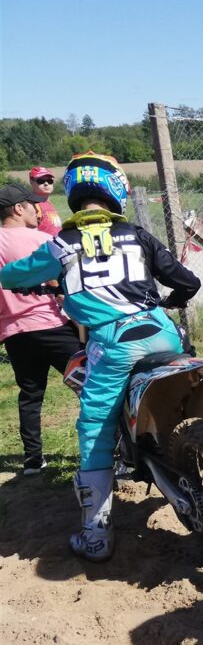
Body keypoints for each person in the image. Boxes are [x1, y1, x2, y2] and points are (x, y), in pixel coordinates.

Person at [0, 152, 201, 562]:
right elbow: (188, 281)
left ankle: (95, 534)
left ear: (73, 192)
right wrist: (171, 299)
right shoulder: (137, 234)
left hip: (112, 341)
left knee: (94, 426)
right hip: (161, 332)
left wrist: (29, 281)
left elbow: (13, 274)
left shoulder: (61, 243)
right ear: (115, 190)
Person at [0, 184, 83, 475]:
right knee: (89, 384)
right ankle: (113, 445)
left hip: (14, 333)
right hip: (51, 326)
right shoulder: (43, 239)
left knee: (30, 395)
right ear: (17, 209)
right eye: (31, 204)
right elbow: (63, 280)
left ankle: (33, 460)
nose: (38, 210)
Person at [28, 166, 62, 237]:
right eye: (41, 181)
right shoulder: (32, 204)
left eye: (50, 181)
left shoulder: (47, 202)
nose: (46, 184)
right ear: (31, 181)